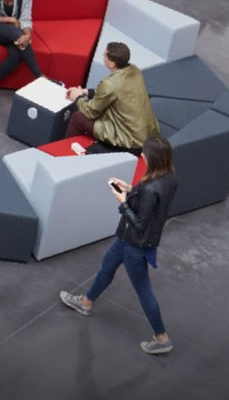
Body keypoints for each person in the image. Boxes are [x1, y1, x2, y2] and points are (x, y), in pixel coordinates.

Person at [59, 136, 178, 355]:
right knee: (107, 266)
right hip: (133, 240)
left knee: (143, 289)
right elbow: (150, 207)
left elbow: (140, 223)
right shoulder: (169, 178)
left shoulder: (150, 186)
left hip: (132, 243)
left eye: (145, 153)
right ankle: (86, 302)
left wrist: (122, 201)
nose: (142, 155)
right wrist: (132, 190)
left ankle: (162, 337)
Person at [64, 42, 159, 155]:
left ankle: (64, 151)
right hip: (147, 134)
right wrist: (85, 92)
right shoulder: (135, 70)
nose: (103, 57)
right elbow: (114, 93)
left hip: (130, 140)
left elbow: (90, 112)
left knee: (78, 117)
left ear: (112, 64)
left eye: (104, 55)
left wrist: (77, 98)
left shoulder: (109, 84)